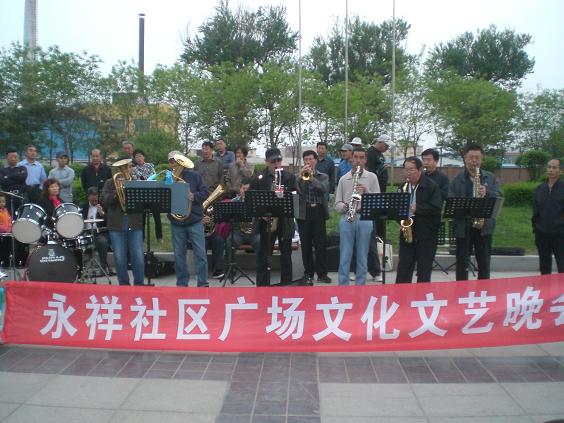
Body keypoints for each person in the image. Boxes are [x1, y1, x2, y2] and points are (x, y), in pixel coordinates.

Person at [448, 143, 502, 281]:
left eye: (477, 158)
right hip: (463, 226)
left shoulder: (490, 177)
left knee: (484, 262)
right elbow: (451, 200)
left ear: (482, 159)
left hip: (484, 227)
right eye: (471, 157)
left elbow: (499, 196)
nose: (474, 161)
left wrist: (487, 192)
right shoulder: (457, 180)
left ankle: (483, 293)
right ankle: (461, 292)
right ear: (465, 159)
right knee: (462, 262)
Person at [250, 147, 297, 286]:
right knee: (264, 256)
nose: (277, 164)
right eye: (273, 161)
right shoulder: (259, 178)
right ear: (266, 162)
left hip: (285, 221)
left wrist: (286, 193)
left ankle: (286, 285)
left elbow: (295, 198)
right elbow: (252, 200)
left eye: (279, 160)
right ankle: (262, 286)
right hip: (266, 221)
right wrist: (260, 214)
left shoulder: (289, 177)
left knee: (286, 255)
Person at [335, 147, 380, 285]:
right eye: (356, 157)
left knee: (362, 255)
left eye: (362, 158)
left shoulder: (372, 177)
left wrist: (366, 191)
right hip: (347, 217)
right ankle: (343, 285)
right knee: (345, 254)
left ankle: (360, 286)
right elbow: (337, 203)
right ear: (351, 159)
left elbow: (378, 201)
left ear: (365, 160)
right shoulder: (344, 179)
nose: (358, 161)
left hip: (365, 218)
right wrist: (345, 207)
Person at [395, 157, 443, 283]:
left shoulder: (431, 186)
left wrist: (418, 208)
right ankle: (400, 298)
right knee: (403, 269)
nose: (408, 173)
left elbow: (436, 208)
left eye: (411, 169)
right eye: (406, 170)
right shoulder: (402, 187)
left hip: (426, 234)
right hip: (407, 232)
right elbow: (396, 209)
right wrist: (400, 221)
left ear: (420, 170)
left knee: (424, 270)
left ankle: (421, 299)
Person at [101, 158, 145, 286]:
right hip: (116, 224)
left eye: (130, 166)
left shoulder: (136, 182)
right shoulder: (110, 183)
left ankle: (139, 285)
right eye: (126, 167)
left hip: (134, 223)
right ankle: (124, 286)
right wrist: (118, 192)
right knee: (120, 259)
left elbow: (143, 203)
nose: (129, 169)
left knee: (138, 257)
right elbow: (104, 200)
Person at [168, 156, 209, 287]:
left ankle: (202, 283)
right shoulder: (168, 178)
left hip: (194, 220)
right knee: (179, 255)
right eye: (172, 162)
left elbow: (205, 193)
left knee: (201, 254)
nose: (174, 165)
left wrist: (194, 196)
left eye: (176, 162)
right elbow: (163, 195)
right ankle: (181, 283)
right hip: (176, 221)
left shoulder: (195, 176)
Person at [296, 150, 331, 285]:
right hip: (304, 212)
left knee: (320, 244)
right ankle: (308, 273)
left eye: (310, 159)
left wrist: (311, 178)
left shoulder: (323, 176)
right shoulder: (298, 177)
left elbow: (323, 189)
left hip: (318, 211)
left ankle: (322, 274)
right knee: (305, 245)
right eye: (306, 160)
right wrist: (300, 178)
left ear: (316, 160)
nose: (308, 162)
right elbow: (297, 191)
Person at [532, 158, 564, 275]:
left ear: (560, 171)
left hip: (560, 235)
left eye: (554, 168)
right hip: (542, 235)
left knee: (562, 266)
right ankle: (546, 292)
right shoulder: (539, 189)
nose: (551, 170)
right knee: (544, 267)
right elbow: (535, 212)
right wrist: (536, 229)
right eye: (549, 167)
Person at [0, 148, 28, 266]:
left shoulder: (22, 168)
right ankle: (6, 258)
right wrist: (14, 177)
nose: (13, 158)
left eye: (15, 157)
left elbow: (23, 178)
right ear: (7, 158)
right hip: (8, 200)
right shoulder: (2, 170)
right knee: (8, 227)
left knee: (20, 227)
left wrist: (9, 177)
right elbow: (3, 182)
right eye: (11, 156)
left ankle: (20, 258)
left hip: (20, 199)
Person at [130, 148, 163, 243]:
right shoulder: (133, 169)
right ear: (134, 159)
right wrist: (145, 180)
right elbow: (136, 181)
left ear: (143, 157)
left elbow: (154, 177)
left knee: (157, 215)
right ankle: (142, 236)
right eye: (136, 157)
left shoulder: (150, 166)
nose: (139, 158)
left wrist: (145, 180)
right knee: (141, 217)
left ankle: (159, 236)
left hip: (152, 194)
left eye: (140, 156)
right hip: (141, 196)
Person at [81, 187, 112, 275]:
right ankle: (80, 269)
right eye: (92, 196)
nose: (95, 198)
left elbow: (110, 221)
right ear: (88, 197)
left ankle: (103, 268)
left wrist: (102, 213)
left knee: (102, 242)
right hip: (86, 233)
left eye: (96, 196)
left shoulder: (104, 206)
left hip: (100, 232)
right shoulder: (83, 207)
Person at [0, 194, 13, 267]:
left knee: (8, 248)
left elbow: (9, 220)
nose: (2, 203)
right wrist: (6, 229)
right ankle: (4, 261)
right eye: (0, 202)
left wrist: (11, 227)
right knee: (3, 249)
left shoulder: (6, 210)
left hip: (7, 233)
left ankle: (7, 262)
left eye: (3, 202)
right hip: (2, 233)